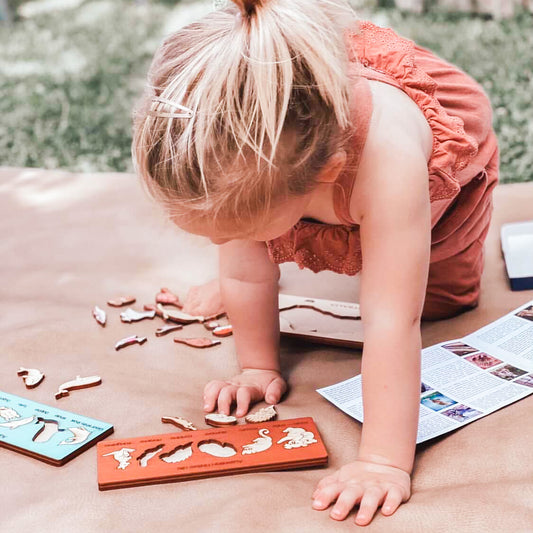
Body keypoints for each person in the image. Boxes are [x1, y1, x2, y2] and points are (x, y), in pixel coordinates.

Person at [131, 0, 498, 525]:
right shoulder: (240, 159)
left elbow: (395, 323)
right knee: (247, 248)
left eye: (234, 234)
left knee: (440, 301)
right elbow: (244, 266)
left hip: (448, 177)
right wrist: (256, 366)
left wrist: (382, 462)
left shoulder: (388, 163)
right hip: (291, 171)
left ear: (328, 173)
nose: (225, 244)